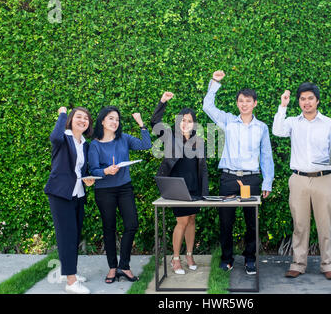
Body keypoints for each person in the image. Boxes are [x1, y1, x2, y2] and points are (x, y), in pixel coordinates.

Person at [272, 82, 331, 280]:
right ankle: (298, 264)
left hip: (324, 179)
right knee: (299, 225)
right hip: (298, 179)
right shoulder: (292, 122)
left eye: (310, 98)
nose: (306, 102)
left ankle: (328, 265)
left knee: (325, 225)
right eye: (303, 99)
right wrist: (283, 105)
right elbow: (277, 131)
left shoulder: (330, 123)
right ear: (299, 102)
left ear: (317, 101)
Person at [203, 70, 274, 275]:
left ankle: (250, 259)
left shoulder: (261, 127)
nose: (244, 104)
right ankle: (227, 259)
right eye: (241, 100)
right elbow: (208, 106)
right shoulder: (227, 122)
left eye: (248, 101)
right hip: (229, 178)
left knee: (251, 222)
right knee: (226, 221)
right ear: (237, 103)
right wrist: (215, 82)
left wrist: (267, 181)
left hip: (251, 179)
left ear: (255, 104)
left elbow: (266, 156)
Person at [88, 106, 151, 283]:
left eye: (117, 119)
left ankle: (124, 265)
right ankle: (112, 268)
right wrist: (106, 171)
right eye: (111, 118)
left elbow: (146, 145)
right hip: (104, 190)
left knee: (132, 224)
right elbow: (93, 170)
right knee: (109, 228)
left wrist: (141, 124)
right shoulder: (94, 145)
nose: (115, 122)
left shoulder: (123, 138)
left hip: (124, 187)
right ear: (102, 121)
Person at [151, 92, 209, 275]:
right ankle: (175, 259)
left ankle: (189, 255)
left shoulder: (198, 142)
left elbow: (202, 169)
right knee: (182, 221)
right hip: (177, 187)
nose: (186, 123)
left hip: (194, 188)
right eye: (183, 120)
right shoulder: (170, 137)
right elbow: (154, 123)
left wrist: (203, 191)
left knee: (191, 220)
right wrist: (162, 102)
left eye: (190, 120)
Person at [44, 106, 94, 294]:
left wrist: (88, 178)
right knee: (66, 237)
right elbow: (54, 137)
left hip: (78, 194)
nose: (83, 120)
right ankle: (71, 282)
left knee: (73, 236)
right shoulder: (63, 137)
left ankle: (69, 272)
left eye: (86, 118)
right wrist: (62, 114)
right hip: (60, 194)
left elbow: (79, 170)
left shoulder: (84, 143)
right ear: (71, 120)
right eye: (78, 117)